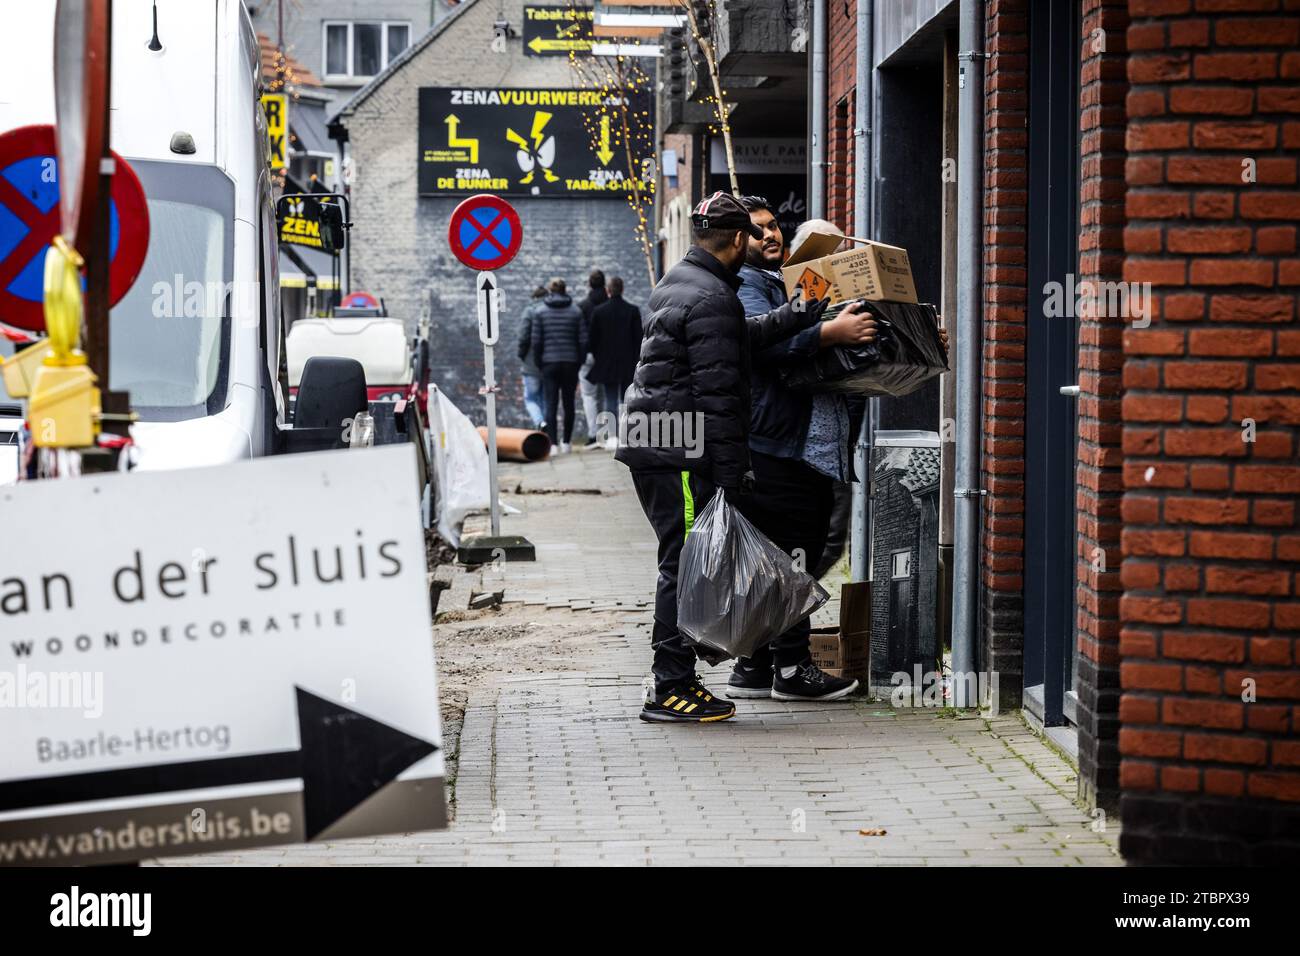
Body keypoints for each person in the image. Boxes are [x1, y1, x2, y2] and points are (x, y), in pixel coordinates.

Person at [615, 191, 832, 723]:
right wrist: (733, 477)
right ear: (738, 239)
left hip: (662, 443)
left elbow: (740, 336)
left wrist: (798, 312)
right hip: (679, 451)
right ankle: (670, 689)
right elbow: (718, 394)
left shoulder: (686, 282)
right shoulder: (712, 296)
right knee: (683, 565)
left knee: (685, 560)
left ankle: (680, 678)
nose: (761, 241)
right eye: (753, 235)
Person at [727, 201, 951, 701]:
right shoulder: (753, 286)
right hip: (781, 446)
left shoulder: (802, 285)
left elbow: (854, 358)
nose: (770, 237)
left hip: (812, 448)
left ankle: (756, 664)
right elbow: (761, 345)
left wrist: (915, 340)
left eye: (772, 229)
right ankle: (790, 667)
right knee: (795, 556)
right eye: (757, 230)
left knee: (789, 556)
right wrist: (830, 332)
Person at [523, 277, 587, 453]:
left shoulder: (540, 312)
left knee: (550, 403)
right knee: (569, 404)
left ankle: (553, 445)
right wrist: (579, 361)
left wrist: (539, 363)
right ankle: (566, 442)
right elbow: (583, 340)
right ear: (565, 290)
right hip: (570, 363)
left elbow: (536, 342)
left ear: (550, 291)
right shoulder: (576, 311)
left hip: (548, 364)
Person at [586, 275, 642, 450]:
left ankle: (611, 437)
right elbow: (638, 338)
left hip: (607, 362)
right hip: (628, 361)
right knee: (627, 399)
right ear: (622, 289)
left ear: (608, 290)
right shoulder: (632, 310)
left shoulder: (599, 311)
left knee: (610, 399)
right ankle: (627, 435)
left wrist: (598, 356)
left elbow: (592, 340)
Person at [577, 269, 608, 447]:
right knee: (605, 395)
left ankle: (593, 435)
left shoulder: (582, 306)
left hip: (588, 356)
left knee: (589, 396)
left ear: (589, 284)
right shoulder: (609, 302)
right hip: (606, 355)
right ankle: (606, 433)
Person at [516, 285, 548, 430]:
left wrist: (521, 355)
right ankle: (547, 427)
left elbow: (523, 336)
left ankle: (540, 422)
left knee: (530, 398)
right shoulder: (551, 311)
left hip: (530, 364)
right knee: (545, 398)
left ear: (534, 297)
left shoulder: (529, 311)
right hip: (548, 362)